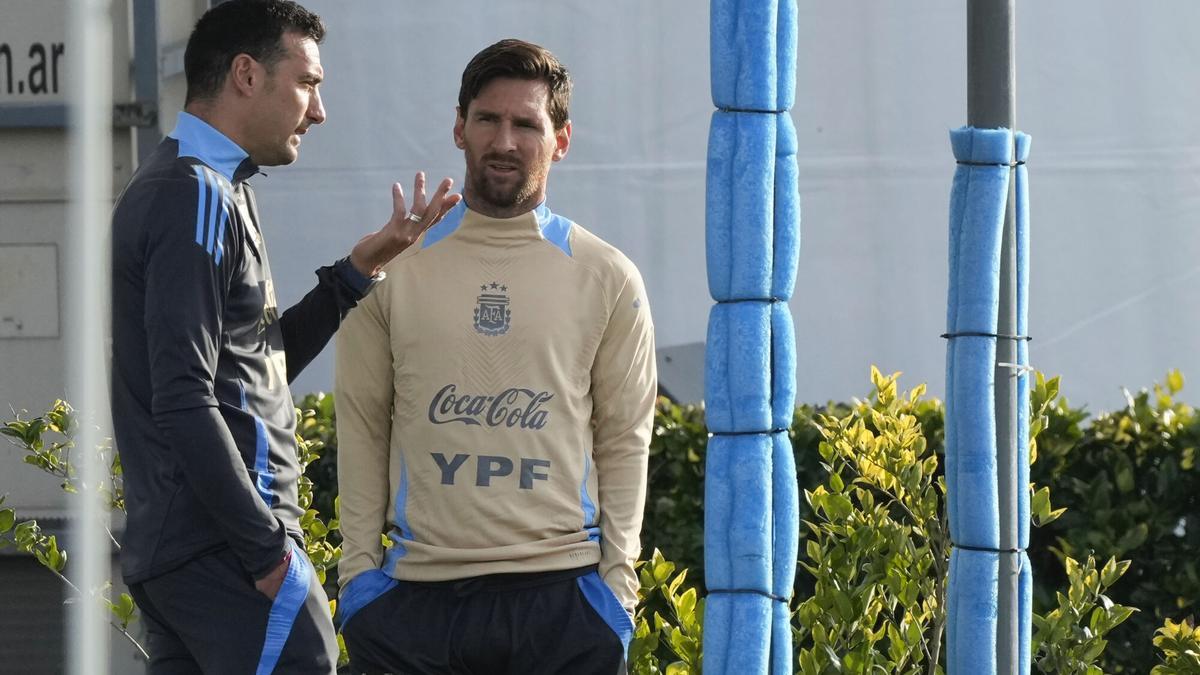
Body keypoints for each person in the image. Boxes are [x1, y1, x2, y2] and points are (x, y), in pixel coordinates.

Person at [109, 1, 458, 672]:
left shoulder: (199, 184)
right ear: (246, 74)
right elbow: (183, 396)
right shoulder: (197, 193)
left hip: (186, 553)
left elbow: (247, 369)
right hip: (228, 554)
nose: (319, 111)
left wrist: (357, 272)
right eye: (308, 83)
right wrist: (267, 552)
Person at [334, 39, 657, 674]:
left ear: (560, 139)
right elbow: (362, 422)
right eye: (488, 120)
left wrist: (617, 592)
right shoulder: (390, 267)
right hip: (414, 604)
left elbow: (625, 438)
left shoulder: (608, 275)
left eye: (526, 124)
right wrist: (358, 582)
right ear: (460, 128)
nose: (504, 141)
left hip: (563, 599)